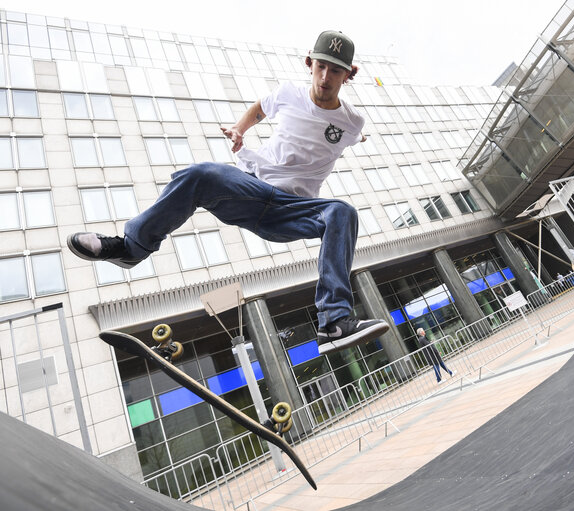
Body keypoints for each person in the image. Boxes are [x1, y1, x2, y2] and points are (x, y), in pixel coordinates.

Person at [67, 30, 389, 355]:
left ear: (348, 75)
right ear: (310, 63)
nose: (325, 78)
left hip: (294, 212)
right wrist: (239, 129)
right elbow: (259, 109)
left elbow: (357, 136)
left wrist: (362, 139)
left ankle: (335, 322)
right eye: (320, 67)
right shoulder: (289, 93)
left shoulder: (352, 121)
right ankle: (131, 247)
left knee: (341, 212)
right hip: (253, 190)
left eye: (335, 71)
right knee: (202, 174)